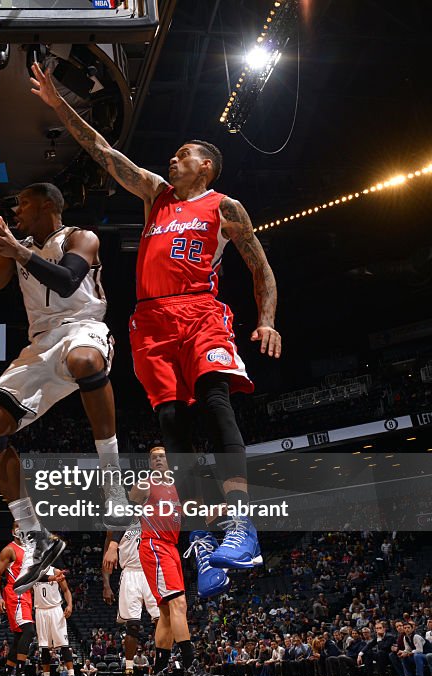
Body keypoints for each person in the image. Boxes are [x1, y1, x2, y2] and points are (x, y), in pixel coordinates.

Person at [31, 60, 281, 582]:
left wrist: (267, 320)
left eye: (183, 155)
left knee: (214, 400)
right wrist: (62, 106)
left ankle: (242, 523)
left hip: (199, 313)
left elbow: (260, 266)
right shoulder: (155, 196)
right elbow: (104, 152)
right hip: (150, 324)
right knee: (171, 426)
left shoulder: (224, 207)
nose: (173, 158)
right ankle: (205, 536)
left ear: (205, 167)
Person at [0, 181, 132, 592]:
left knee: (84, 360)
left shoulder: (81, 237)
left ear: (46, 205)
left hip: (84, 328)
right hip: (40, 343)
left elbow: (67, 280)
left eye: (22, 203)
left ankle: (113, 485)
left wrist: (16, 250)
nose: (15, 212)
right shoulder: (17, 246)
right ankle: (35, 534)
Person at [128, 447, 224, 676]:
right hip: (154, 544)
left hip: (170, 548)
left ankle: (159, 675)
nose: (158, 459)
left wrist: (224, 508)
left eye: (163, 456)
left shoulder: (177, 490)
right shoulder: (148, 482)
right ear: (151, 464)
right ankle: (192, 669)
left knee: (168, 615)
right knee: (179, 605)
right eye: (154, 458)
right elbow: (132, 496)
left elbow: (199, 516)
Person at [102, 518, 159, 676]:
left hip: (152, 572)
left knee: (161, 622)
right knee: (133, 626)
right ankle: (128, 671)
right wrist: (106, 585)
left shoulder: (153, 517)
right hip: (130, 573)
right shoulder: (116, 526)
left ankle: (160, 669)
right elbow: (106, 559)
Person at [0, 524, 40, 676]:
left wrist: (53, 578)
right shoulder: (9, 550)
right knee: (28, 631)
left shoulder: (29, 550)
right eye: (18, 526)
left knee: (19, 637)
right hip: (15, 594)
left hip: (26, 595)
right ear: (13, 530)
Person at [33, 566, 79, 676]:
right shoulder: (32, 571)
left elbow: (66, 590)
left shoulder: (56, 571)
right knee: (44, 646)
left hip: (55, 609)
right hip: (40, 610)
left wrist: (69, 605)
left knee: (64, 644)